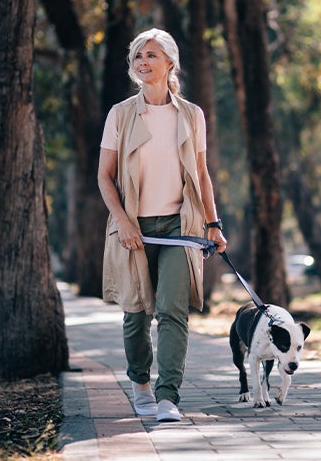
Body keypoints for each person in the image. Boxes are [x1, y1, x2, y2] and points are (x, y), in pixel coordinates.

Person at [98, 27, 227, 422]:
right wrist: (123, 222)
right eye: (138, 55)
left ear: (170, 62)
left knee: (173, 311)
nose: (142, 62)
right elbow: (105, 176)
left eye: (151, 55)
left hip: (178, 226)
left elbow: (202, 174)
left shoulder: (190, 114)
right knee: (136, 313)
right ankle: (140, 385)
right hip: (133, 228)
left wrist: (213, 224)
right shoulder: (120, 114)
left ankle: (167, 395)